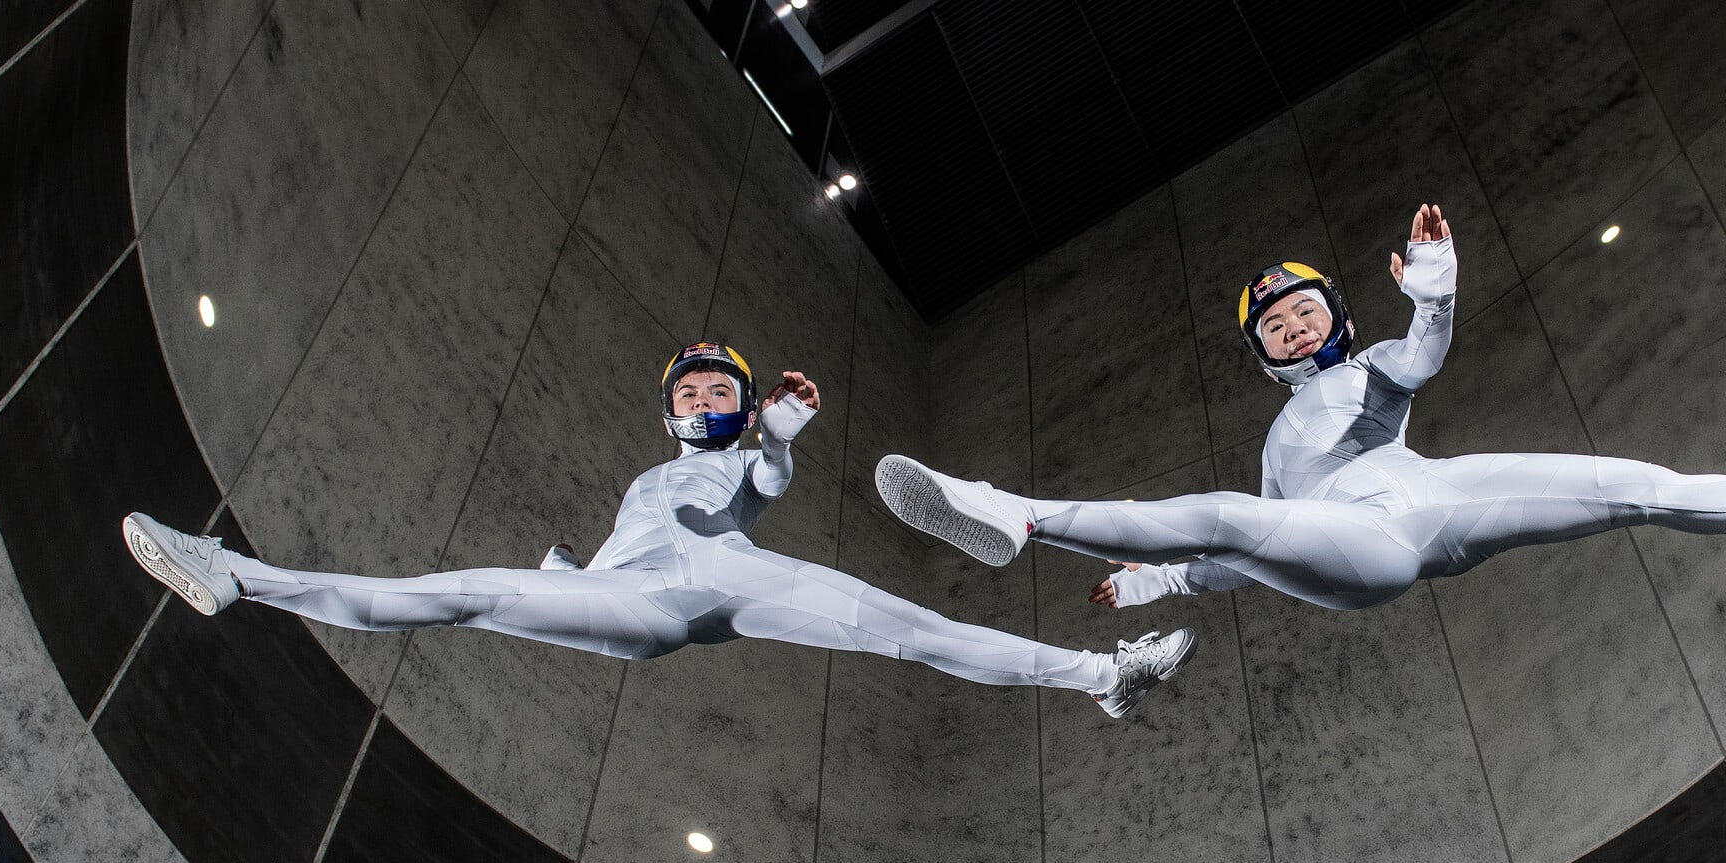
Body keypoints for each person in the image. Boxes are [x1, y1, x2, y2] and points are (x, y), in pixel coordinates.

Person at [874, 204, 1726, 613]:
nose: (1290, 328)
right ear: (1260, 360)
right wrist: (1155, 580)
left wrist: (1431, 285)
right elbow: (1231, 552)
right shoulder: (1277, 444)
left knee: (1633, 486)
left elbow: (1425, 352)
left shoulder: (1370, 372)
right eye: (1272, 329)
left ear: (1334, 316)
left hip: (1434, 501)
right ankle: (1014, 511)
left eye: (1302, 311)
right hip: (1358, 549)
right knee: (1225, 513)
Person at [121, 342, 1195, 717]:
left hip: (733, 577)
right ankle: (241, 579)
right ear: (667, 408)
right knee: (458, 593)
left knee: (910, 628)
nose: (699, 396)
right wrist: (563, 572)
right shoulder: (653, 473)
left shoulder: (739, 460)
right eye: (687, 389)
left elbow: (761, 481)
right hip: (633, 604)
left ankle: (1100, 678)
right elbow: (600, 569)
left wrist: (777, 431)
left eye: (715, 387)